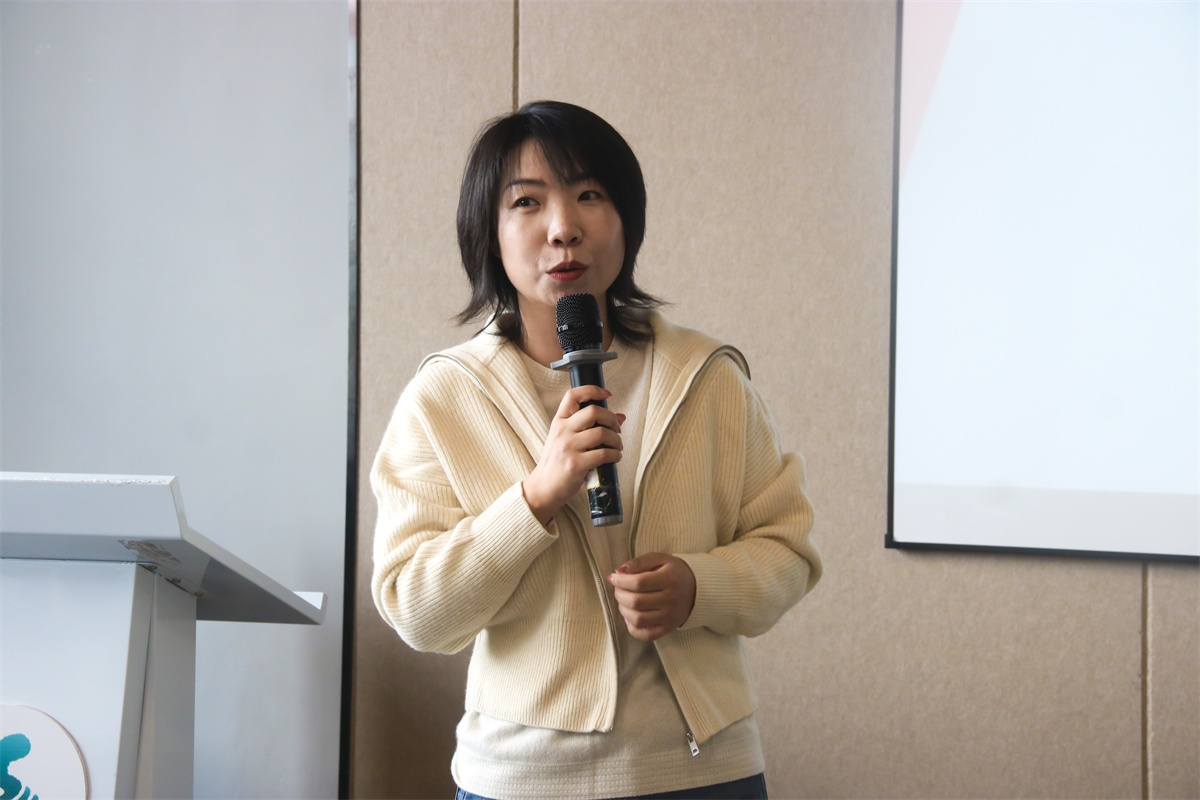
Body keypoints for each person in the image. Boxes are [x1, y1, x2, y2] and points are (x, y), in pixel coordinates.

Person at [371, 100, 822, 800]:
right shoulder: (444, 398)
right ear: (488, 232)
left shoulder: (707, 376)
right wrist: (534, 499)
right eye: (527, 202)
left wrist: (699, 586)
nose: (563, 228)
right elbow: (416, 611)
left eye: (589, 195)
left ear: (626, 220)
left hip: (703, 771)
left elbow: (788, 552)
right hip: (522, 778)